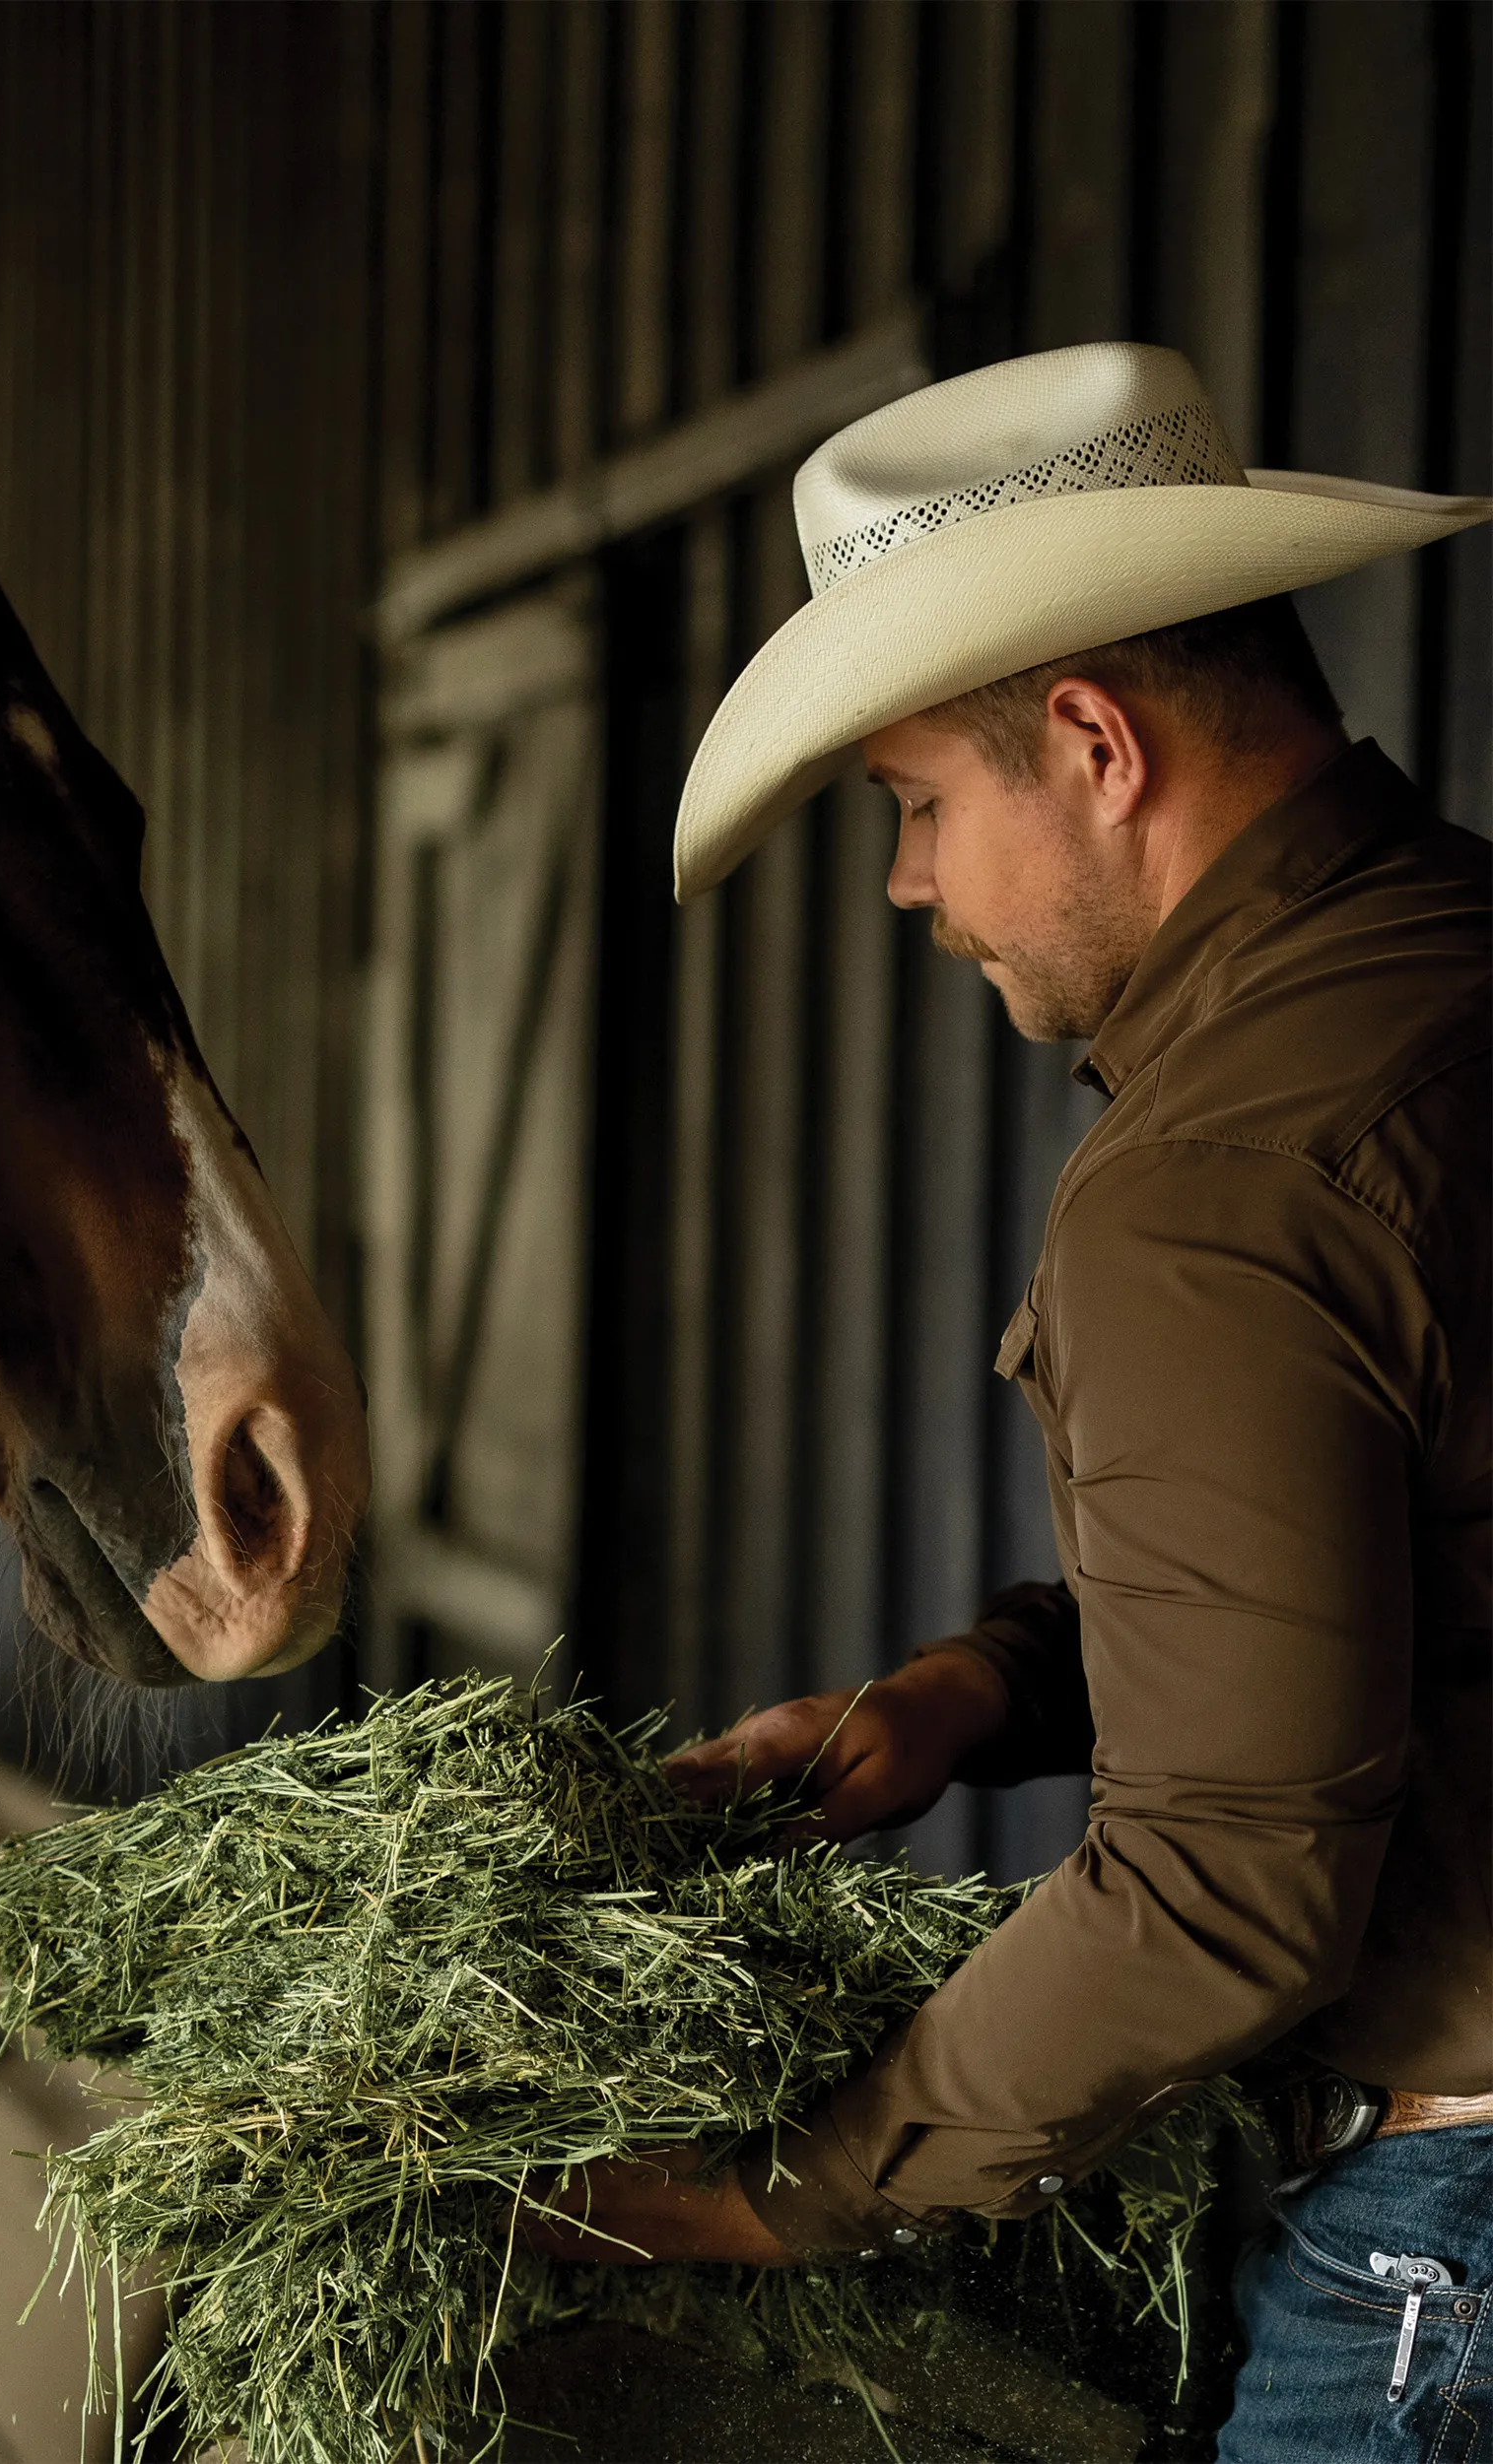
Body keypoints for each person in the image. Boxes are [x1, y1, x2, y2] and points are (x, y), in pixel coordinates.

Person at [522, 343, 1492, 2456]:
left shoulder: (1216, 1183)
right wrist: (980, 1687)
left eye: (914, 808)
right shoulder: (1449, 961)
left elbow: (1225, 1881)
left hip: (1453, 2236)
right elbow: (1407, 1550)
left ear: (1089, 741)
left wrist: (775, 2186)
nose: (907, 889)